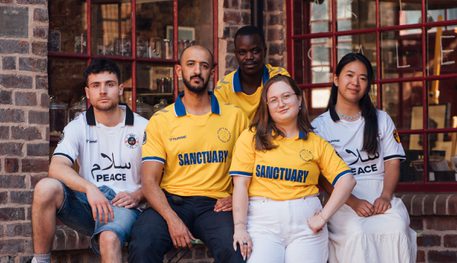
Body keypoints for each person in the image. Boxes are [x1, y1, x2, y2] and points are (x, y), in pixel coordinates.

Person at [128, 45, 248, 263]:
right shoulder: (162, 120)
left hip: (216, 205)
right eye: (190, 64)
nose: (197, 71)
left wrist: (236, 197)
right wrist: (172, 219)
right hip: (172, 202)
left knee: (236, 250)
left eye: (203, 66)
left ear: (212, 73)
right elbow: (149, 181)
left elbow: (253, 167)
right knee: (143, 244)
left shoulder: (235, 117)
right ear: (178, 71)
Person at [31, 59, 148, 263]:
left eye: (109, 84)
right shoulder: (78, 126)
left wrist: (138, 195)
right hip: (90, 205)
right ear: (87, 92)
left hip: (126, 205)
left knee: (109, 238)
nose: (103, 91)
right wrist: (89, 188)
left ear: (120, 89)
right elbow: (57, 167)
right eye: (96, 85)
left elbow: (163, 175)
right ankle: (40, 261)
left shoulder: (143, 127)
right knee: (45, 187)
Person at [230, 75, 356, 263]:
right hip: (263, 224)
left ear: (299, 100)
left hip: (306, 226)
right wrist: (239, 227)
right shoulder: (251, 137)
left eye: (286, 96)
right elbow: (240, 184)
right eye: (273, 100)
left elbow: (347, 180)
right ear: (267, 107)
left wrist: (323, 217)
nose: (280, 103)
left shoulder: (315, 142)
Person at [312, 52, 417, 263]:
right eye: (349, 75)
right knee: (356, 234)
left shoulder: (381, 119)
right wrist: (353, 202)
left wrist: (386, 196)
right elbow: (323, 176)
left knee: (396, 227)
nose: (355, 83)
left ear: (368, 84)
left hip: (379, 192)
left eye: (362, 78)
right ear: (336, 79)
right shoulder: (320, 126)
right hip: (342, 200)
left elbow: (392, 162)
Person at [214, 25, 290, 121]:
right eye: (242, 52)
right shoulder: (224, 88)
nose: (249, 57)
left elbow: (286, 118)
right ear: (236, 54)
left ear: (264, 51)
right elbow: (222, 125)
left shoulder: (278, 77)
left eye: (255, 51)